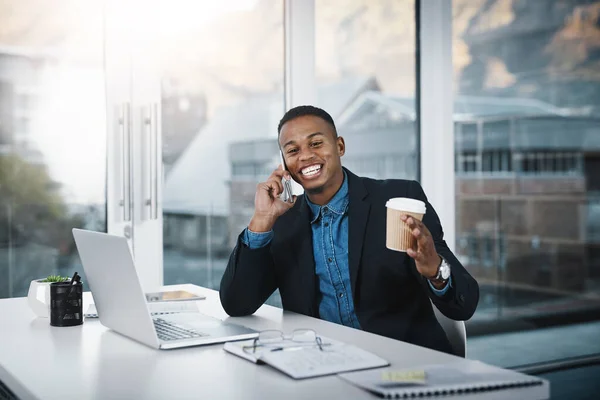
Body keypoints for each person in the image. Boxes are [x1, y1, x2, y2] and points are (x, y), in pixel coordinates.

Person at [220, 105, 479, 354]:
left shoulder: (398, 199)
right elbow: (237, 304)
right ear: (285, 164)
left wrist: (435, 270)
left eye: (316, 143)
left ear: (340, 146)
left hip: (405, 367)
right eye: (293, 150)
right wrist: (262, 219)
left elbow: (464, 304)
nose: (306, 156)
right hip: (325, 367)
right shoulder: (281, 222)